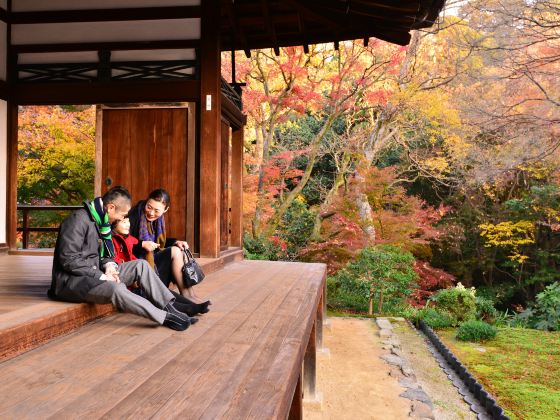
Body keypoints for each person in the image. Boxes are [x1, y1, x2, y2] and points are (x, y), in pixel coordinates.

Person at [48, 186, 199, 331]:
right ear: (111, 207)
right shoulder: (76, 221)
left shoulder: (101, 220)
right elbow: (68, 260)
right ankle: (166, 317)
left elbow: (105, 255)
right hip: (73, 283)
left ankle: (170, 308)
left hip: (95, 274)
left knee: (141, 265)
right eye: (122, 215)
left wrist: (109, 266)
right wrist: (101, 275)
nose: (122, 218)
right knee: (117, 288)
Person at [111, 215, 208, 316]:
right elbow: (119, 264)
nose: (127, 225)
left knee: (161, 290)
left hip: (138, 280)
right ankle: (188, 308)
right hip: (130, 286)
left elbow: (133, 258)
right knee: (155, 292)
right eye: (123, 222)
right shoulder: (112, 240)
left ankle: (191, 304)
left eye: (127, 221)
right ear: (113, 224)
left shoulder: (128, 238)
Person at [128, 188, 209, 306]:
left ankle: (190, 295)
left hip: (152, 261)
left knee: (178, 248)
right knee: (175, 252)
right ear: (146, 202)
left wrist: (176, 241)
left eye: (156, 210)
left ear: (166, 210)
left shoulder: (158, 220)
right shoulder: (135, 216)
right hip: (139, 267)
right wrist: (142, 244)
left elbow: (158, 243)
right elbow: (125, 243)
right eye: (149, 207)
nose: (151, 213)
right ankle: (187, 296)